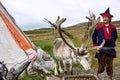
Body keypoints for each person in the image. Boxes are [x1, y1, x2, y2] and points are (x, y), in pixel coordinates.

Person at [92, 8, 118, 79]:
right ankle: (100, 75)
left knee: (110, 65)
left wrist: (111, 41)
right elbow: (94, 36)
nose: (104, 18)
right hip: (101, 50)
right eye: (103, 17)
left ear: (109, 19)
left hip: (110, 50)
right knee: (101, 66)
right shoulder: (98, 27)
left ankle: (110, 77)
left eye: (106, 17)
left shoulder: (113, 27)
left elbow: (115, 36)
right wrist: (95, 45)